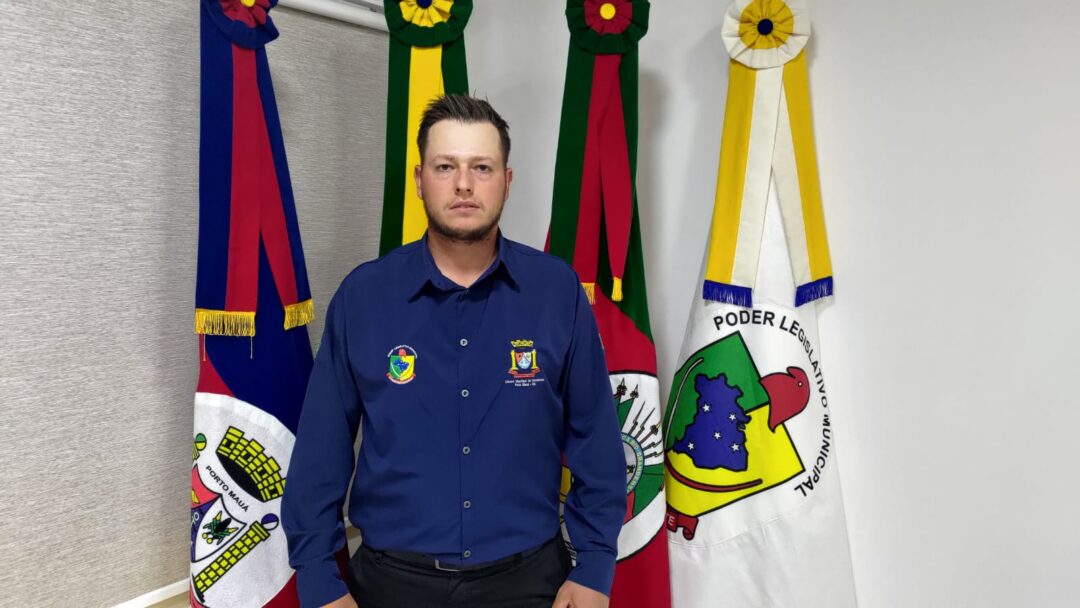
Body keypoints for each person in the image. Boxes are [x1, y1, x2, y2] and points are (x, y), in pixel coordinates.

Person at [281, 94, 626, 608]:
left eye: (481, 167)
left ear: (506, 181)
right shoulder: (364, 297)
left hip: (530, 584)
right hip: (391, 585)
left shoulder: (557, 291)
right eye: (446, 167)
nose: (464, 184)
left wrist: (595, 565)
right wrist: (318, 579)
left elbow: (595, 438)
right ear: (420, 180)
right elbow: (321, 450)